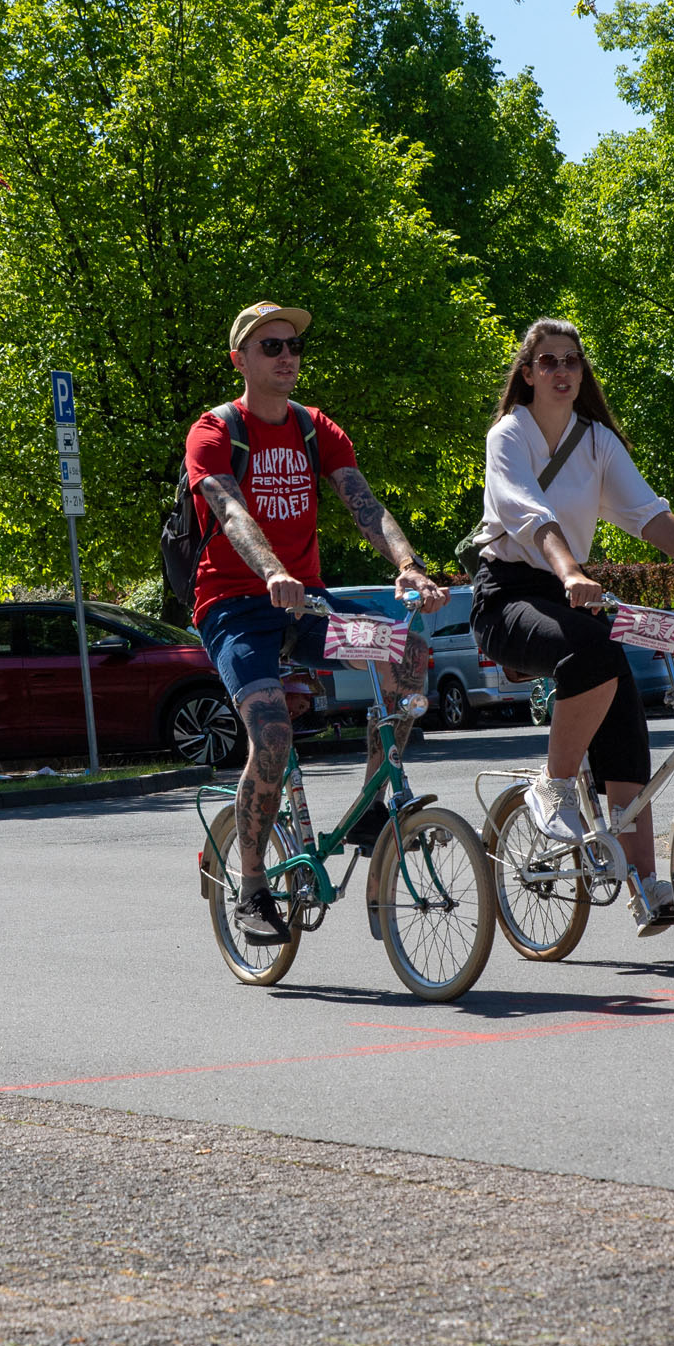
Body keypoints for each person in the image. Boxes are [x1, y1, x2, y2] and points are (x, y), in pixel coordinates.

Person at [187, 299, 448, 945]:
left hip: (306, 604)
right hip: (234, 608)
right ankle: (252, 889)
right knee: (271, 731)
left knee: (409, 653)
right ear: (240, 359)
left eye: (294, 347)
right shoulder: (214, 431)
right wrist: (273, 570)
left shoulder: (315, 428)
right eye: (271, 346)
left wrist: (409, 565)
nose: (287, 356)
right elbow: (231, 512)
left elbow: (365, 504)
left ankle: (372, 810)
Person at [469, 317, 674, 928]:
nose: (563, 372)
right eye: (549, 362)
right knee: (592, 656)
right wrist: (568, 571)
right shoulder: (508, 435)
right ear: (528, 373)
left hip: (572, 594)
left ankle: (646, 884)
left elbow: (646, 512)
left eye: (573, 361)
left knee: (624, 706)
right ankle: (555, 783)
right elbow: (527, 515)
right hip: (508, 594)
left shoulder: (596, 441)